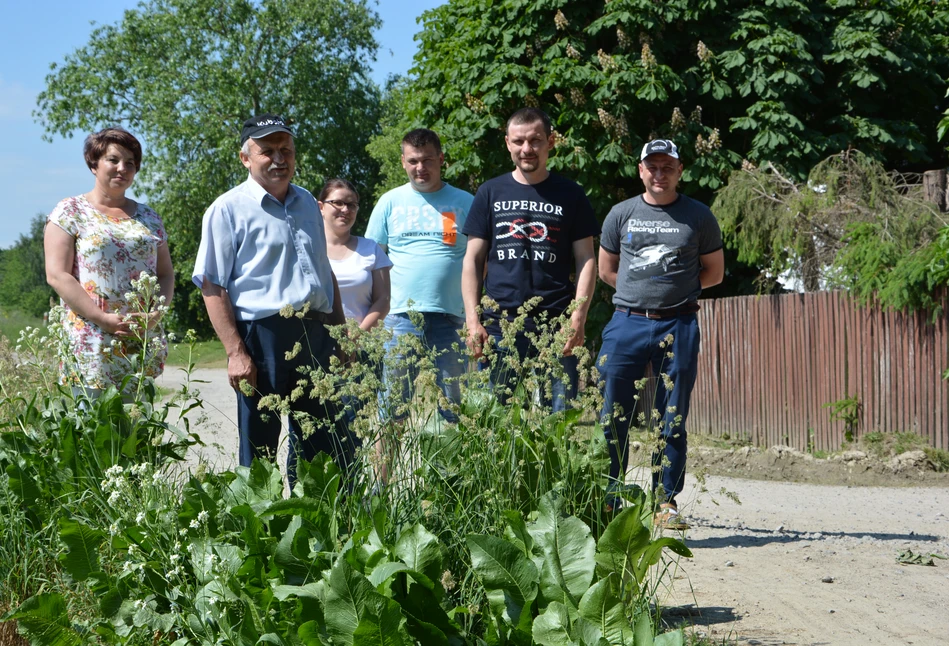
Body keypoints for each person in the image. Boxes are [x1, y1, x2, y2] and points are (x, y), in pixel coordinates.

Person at [192, 113, 355, 482]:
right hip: (262, 336)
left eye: (287, 150)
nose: (279, 159)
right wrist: (235, 353)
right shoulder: (227, 209)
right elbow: (212, 284)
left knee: (321, 446)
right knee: (261, 447)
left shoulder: (309, 203)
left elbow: (323, 272)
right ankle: (261, 532)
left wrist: (341, 334)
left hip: (316, 334)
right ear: (245, 158)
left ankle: (318, 525)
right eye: (267, 151)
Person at [596, 139, 725, 528]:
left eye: (667, 166)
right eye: (652, 166)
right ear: (640, 170)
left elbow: (714, 273)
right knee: (613, 412)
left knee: (671, 415)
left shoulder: (698, 216)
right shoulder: (621, 214)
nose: (659, 173)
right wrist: (639, 295)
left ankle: (664, 502)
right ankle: (609, 496)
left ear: (679, 171)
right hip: (627, 321)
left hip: (679, 322)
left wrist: (673, 296)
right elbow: (607, 270)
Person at [461, 107, 599, 412]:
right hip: (499, 327)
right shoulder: (489, 192)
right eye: (519, 141)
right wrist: (472, 320)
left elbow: (587, 259)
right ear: (508, 144)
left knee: (559, 425)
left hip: (557, 325)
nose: (527, 149)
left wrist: (578, 317)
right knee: (497, 425)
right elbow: (472, 259)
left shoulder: (571, 193)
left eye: (535, 140)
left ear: (550, 142)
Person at [44, 127, 174, 397]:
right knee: (92, 434)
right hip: (92, 344)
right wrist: (102, 319)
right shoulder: (70, 211)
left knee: (137, 432)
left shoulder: (149, 218)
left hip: (140, 344)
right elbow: (57, 275)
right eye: (113, 160)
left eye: (130, 163)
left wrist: (155, 315)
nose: (122, 168)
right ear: (94, 163)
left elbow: (165, 274)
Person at [364, 129, 474, 427]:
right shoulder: (390, 201)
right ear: (403, 162)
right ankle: (384, 476)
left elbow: (480, 260)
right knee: (392, 413)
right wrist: (375, 310)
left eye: (427, 160)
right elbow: (372, 259)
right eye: (413, 161)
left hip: (451, 318)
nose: (420, 168)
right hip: (400, 318)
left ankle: (452, 474)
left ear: (441, 159)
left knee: (456, 411)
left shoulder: (465, 201)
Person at [319, 178, 391, 332]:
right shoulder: (307, 249)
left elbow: (383, 300)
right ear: (321, 208)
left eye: (351, 205)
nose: (345, 210)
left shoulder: (371, 249)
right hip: (316, 345)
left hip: (363, 344)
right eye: (338, 203)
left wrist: (356, 338)